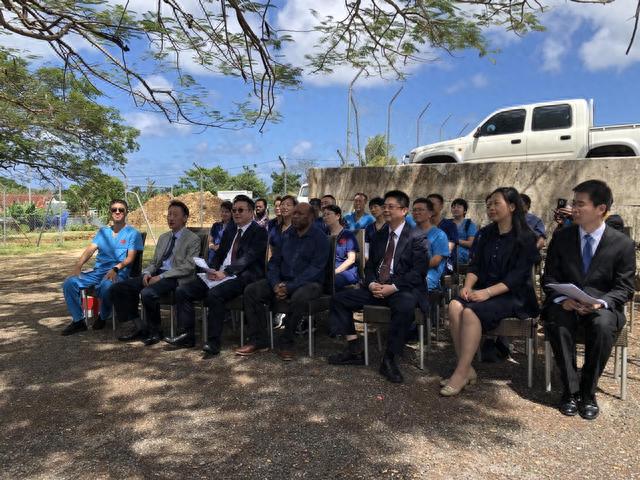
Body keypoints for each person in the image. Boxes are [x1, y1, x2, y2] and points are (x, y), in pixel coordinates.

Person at [542, 180, 635, 420]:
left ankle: (588, 391)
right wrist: (562, 298)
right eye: (574, 203)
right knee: (557, 320)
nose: (573, 208)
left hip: (601, 306)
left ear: (600, 209)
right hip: (567, 304)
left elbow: (625, 288)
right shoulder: (562, 237)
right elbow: (549, 277)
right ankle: (570, 391)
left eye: (580, 204)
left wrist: (600, 303)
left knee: (602, 324)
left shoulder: (622, 244)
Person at [442, 187, 539, 396]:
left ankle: (460, 373)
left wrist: (486, 293)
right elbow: (475, 265)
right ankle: (466, 368)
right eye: (488, 205)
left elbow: (517, 277)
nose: (491, 208)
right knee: (455, 305)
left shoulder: (526, 237)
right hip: (483, 291)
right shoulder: (485, 234)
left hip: (514, 296)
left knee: (470, 312)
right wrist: (467, 287)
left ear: (511, 206)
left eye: (496, 203)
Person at [327, 190, 429, 383]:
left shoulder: (417, 236)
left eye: (391, 207)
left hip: (401, 289)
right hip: (377, 287)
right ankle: (354, 349)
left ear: (404, 210)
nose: (386, 210)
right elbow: (371, 266)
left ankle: (389, 359)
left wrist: (393, 287)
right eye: (385, 206)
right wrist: (372, 282)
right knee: (339, 299)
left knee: (406, 306)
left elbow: (418, 272)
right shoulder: (380, 235)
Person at [164, 195, 268, 356]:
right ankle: (187, 335)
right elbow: (219, 255)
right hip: (219, 274)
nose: (236, 213)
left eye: (240, 210)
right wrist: (211, 269)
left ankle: (213, 342)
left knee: (215, 295)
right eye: (234, 210)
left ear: (251, 212)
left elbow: (248, 258)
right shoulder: (230, 230)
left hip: (242, 276)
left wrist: (225, 273)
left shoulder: (259, 232)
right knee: (182, 291)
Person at [236, 203, 330, 361]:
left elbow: (315, 269)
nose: (295, 216)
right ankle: (258, 340)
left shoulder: (320, 238)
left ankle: (287, 342)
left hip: (309, 283)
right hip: (282, 282)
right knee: (252, 290)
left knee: (300, 297)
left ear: (311, 217)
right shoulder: (286, 235)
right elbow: (274, 263)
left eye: (300, 214)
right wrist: (275, 284)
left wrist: (289, 287)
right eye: (294, 213)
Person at [113, 201, 201, 346]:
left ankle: (155, 331)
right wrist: (147, 273)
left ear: (185, 218)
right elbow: (155, 262)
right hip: (157, 274)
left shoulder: (193, 239)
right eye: (169, 214)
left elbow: (188, 267)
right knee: (120, 288)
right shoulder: (163, 237)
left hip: (175, 277)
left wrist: (160, 277)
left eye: (175, 215)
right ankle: (139, 326)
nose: (170, 218)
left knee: (148, 293)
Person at [61, 199, 144, 335]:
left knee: (107, 286)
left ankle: (103, 316)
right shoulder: (103, 232)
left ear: (126, 212)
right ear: (110, 212)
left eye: (121, 210)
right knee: (69, 283)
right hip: (98, 271)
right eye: (114, 209)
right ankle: (78, 321)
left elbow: (130, 258)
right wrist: (78, 266)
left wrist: (115, 269)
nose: (117, 212)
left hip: (119, 272)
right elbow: (90, 250)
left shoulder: (133, 234)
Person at [412, 198, 449, 292]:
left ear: (430, 213)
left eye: (421, 210)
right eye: (414, 210)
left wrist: (413, 268)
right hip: (406, 272)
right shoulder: (408, 232)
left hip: (428, 274)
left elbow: (436, 260)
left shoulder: (439, 235)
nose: (416, 212)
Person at [322, 205, 360, 291]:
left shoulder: (348, 235)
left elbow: (351, 259)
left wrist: (334, 272)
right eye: (324, 215)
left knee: (330, 282)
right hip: (328, 271)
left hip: (345, 272)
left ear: (338, 216)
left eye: (328, 214)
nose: (325, 217)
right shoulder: (324, 234)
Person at [450, 198, 477, 266]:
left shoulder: (469, 224)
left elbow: (471, 243)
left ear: (464, 211)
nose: (455, 209)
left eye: (459, 207)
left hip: (462, 255)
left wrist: (456, 241)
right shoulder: (447, 223)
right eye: (453, 207)